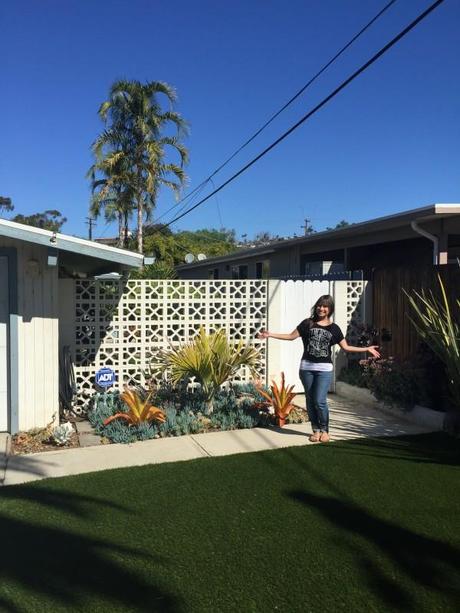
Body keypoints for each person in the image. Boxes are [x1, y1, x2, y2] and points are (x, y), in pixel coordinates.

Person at [257, 294, 380, 443]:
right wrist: (270, 334)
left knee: (320, 400)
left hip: (324, 369)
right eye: (319, 305)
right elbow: (290, 336)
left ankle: (325, 430)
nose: (321, 308)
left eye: (325, 306)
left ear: (330, 309)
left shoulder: (334, 329)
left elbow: (346, 346)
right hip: (306, 368)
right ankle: (315, 430)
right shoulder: (307, 324)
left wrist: (366, 349)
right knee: (310, 400)